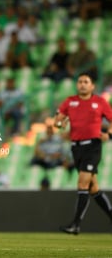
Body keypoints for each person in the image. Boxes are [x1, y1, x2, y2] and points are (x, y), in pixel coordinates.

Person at [54, 72, 112, 235]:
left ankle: (76, 225)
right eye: (80, 81)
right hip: (76, 147)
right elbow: (57, 122)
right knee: (93, 188)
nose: (82, 84)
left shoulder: (100, 102)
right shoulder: (70, 101)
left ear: (92, 86)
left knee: (82, 184)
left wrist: (109, 134)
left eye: (86, 82)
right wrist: (60, 123)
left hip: (92, 146)